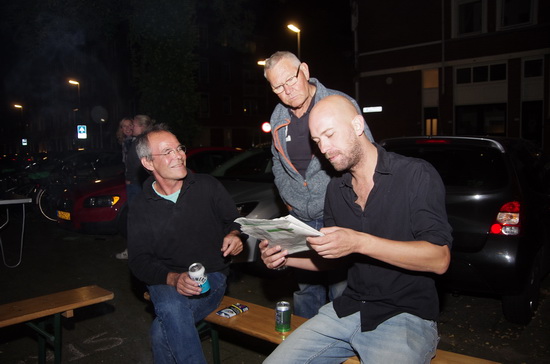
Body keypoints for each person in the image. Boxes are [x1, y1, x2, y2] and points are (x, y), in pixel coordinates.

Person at [260, 95, 453, 363]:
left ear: (358, 125)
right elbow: (333, 261)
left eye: (329, 135)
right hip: (347, 309)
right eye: (317, 142)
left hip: (405, 316)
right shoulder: (336, 190)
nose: (324, 148)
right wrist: (285, 257)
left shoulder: (414, 175)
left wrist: (359, 242)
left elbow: (439, 259)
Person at [263, 51, 374, 318]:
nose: (287, 91)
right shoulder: (279, 115)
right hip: (300, 217)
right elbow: (277, 161)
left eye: (290, 79)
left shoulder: (338, 103)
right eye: (278, 87)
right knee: (305, 291)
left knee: (342, 289)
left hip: (337, 213)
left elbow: (366, 154)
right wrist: (288, 197)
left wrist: (360, 204)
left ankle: (345, 349)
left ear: (304, 69)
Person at [127, 123, 243, 364]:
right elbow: (139, 261)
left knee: (162, 330)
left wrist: (235, 234)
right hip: (165, 279)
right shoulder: (140, 206)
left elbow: (235, 220)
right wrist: (173, 279)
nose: (179, 155)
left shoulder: (207, 185)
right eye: (167, 152)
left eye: (179, 148)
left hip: (212, 275)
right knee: (170, 308)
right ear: (148, 163)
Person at [116, 114, 155, 260]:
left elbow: (138, 164)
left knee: (136, 219)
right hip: (136, 184)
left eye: (133, 125)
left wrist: (130, 179)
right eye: (125, 126)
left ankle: (137, 251)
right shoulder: (130, 142)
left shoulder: (140, 142)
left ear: (142, 127)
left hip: (136, 185)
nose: (130, 128)